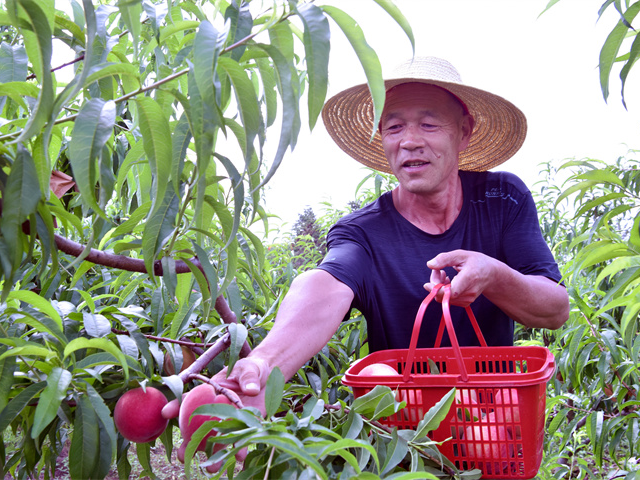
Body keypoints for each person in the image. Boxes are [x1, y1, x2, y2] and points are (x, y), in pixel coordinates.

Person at [187, 57, 569, 430]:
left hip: (495, 428)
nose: (410, 141)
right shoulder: (363, 232)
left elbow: (554, 309)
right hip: (403, 439)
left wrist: (494, 276)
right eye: (394, 127)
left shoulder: (502, 199)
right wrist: (267, 363)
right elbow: (324, 285)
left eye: (429, 124)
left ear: (464, 131)